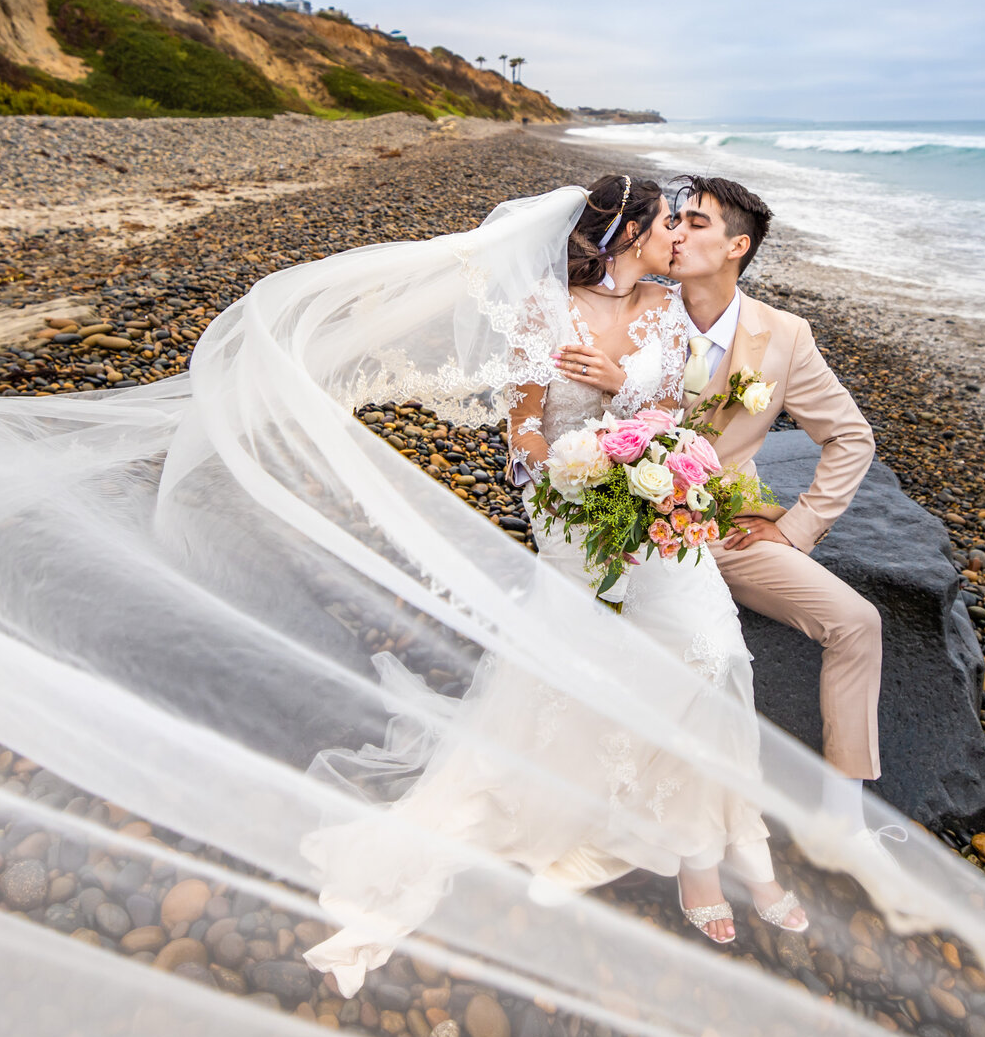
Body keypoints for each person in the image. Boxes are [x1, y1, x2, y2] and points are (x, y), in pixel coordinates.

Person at [301, 175, 805, 993]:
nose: (673, 234)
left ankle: (714, 843)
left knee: (712, 653)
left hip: (656, 500)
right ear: (628, 231)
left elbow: (675, 409)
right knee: (583, 669)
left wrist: (624, 397)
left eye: (682, 223)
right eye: (663, 222)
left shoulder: (667, 308)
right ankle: (613, 826)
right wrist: (566, 479)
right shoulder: (546, 309)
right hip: (572, 510)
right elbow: (525, 429)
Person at [568, 175, 890, 856]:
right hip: (631, 526)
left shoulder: (786, 336)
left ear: (737, 246)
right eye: (673, 221)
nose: (675, 233)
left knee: (858, 622)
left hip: (731, 528)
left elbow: (851, 437)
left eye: (696, 223)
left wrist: (797, 529)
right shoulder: (633, 307)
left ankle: (843, 820)